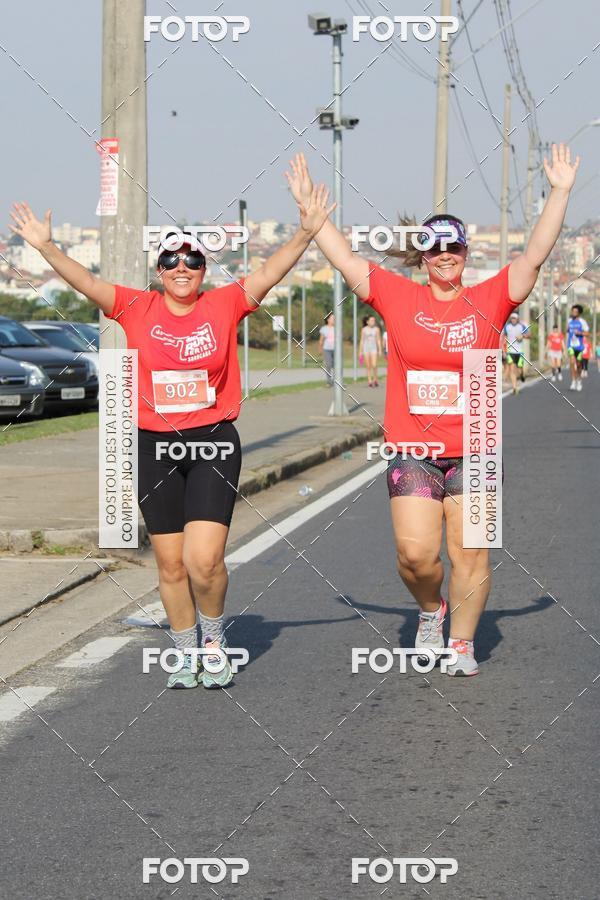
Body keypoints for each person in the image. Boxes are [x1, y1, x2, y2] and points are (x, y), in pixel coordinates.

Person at [10, 175, 333, 690]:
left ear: (204, 270)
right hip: (153, 445)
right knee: (170, 563)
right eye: (170, 261)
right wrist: (46, 246)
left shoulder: (224, 304)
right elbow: (84, 283)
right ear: (158, 271)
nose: (181, 268)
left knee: (203, 560)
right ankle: (184, 650)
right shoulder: (136, 306)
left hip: (211, 441)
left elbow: (270, 271)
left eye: (192, 260)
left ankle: (213, 639)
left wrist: (306, 232)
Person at [286, 143, 579, 676]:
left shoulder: (490, 298)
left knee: (472, 554)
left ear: (466, 254)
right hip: (414, 449)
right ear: (422, 257)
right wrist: (313, 219)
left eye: (455, 247)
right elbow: (348, 260)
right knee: (416, 556)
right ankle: (431, 610)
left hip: (477, 449)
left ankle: (461, 644)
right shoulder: (398, 298)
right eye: (435, 247)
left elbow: (535, 254)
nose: (445, 254)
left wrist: (558, 192)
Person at [504, 311, 530, 394]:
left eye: (515, 318)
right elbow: (503, 338)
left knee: (519, 369)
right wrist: (504, 350)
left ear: (517, 319)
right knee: (512, 369)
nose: (513, 320)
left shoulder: (521, 326)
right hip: (510, 351)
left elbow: (529, 335)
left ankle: (522, 374)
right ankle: (515, 388)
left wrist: (522, 336)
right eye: (512, 318)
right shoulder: (507, 327)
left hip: (519, 351)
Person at [566, 303, 588, 391]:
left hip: (579, 346)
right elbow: (567, 331)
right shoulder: (569, 321)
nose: (573, 313)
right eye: (573, 311)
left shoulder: (582, 322)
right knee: (572, 363)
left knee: (579, 364)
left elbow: (587, 333)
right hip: (571, 345)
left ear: (579, 313)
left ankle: (579, 380)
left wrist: (580, 333)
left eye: (575, 311)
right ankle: (573, 381)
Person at [360, 314, 383, 386]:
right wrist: (360, 351)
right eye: (371, 320)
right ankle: (369, 380)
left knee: (374, 364)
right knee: (368, 366)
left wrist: (380, 350)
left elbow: (378, 340)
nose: (373, 322)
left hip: (374, 349)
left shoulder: (376, 329)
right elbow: (362, 340)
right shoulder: (364, 329)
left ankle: (375, 379)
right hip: (366, 349)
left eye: (374, 320)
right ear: (367, 322)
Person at [319, 312, 335, 386]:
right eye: (332, 318)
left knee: (335, 365)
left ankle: (335, 380)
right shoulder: (324, 329)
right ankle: (329, 381)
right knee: (328, 365)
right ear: (328, 319)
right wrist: (320, 349)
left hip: (335, 350)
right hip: (327, 349)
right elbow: (321, 340)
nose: (333, 320)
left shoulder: (336, 328)